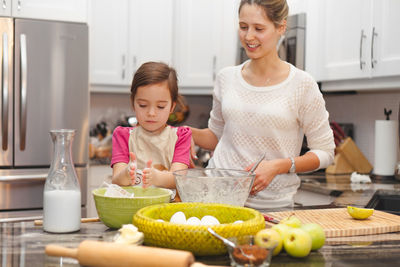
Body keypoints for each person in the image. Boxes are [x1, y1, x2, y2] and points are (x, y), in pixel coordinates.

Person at [190, 0, 335, 210]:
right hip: (218, 198)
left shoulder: (302, 85)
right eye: (243, 27)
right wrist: (182, 132)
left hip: (273, 206)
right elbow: (216, 137)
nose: (249, 36)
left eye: (259, 28)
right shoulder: (226, 78)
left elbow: (325, 153)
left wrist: (279, 166)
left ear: (281, 27)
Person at [111, 62, 192, 192]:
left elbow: (179, 178)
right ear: (133, 103)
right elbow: (116, 179)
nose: (151, 113)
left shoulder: (180, 136)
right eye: (143, 105)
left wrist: (157, 177)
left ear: (172, 107)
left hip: (167, 208)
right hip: (132, 208)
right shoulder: (123, 136)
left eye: (160, 106)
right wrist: (125, 175)